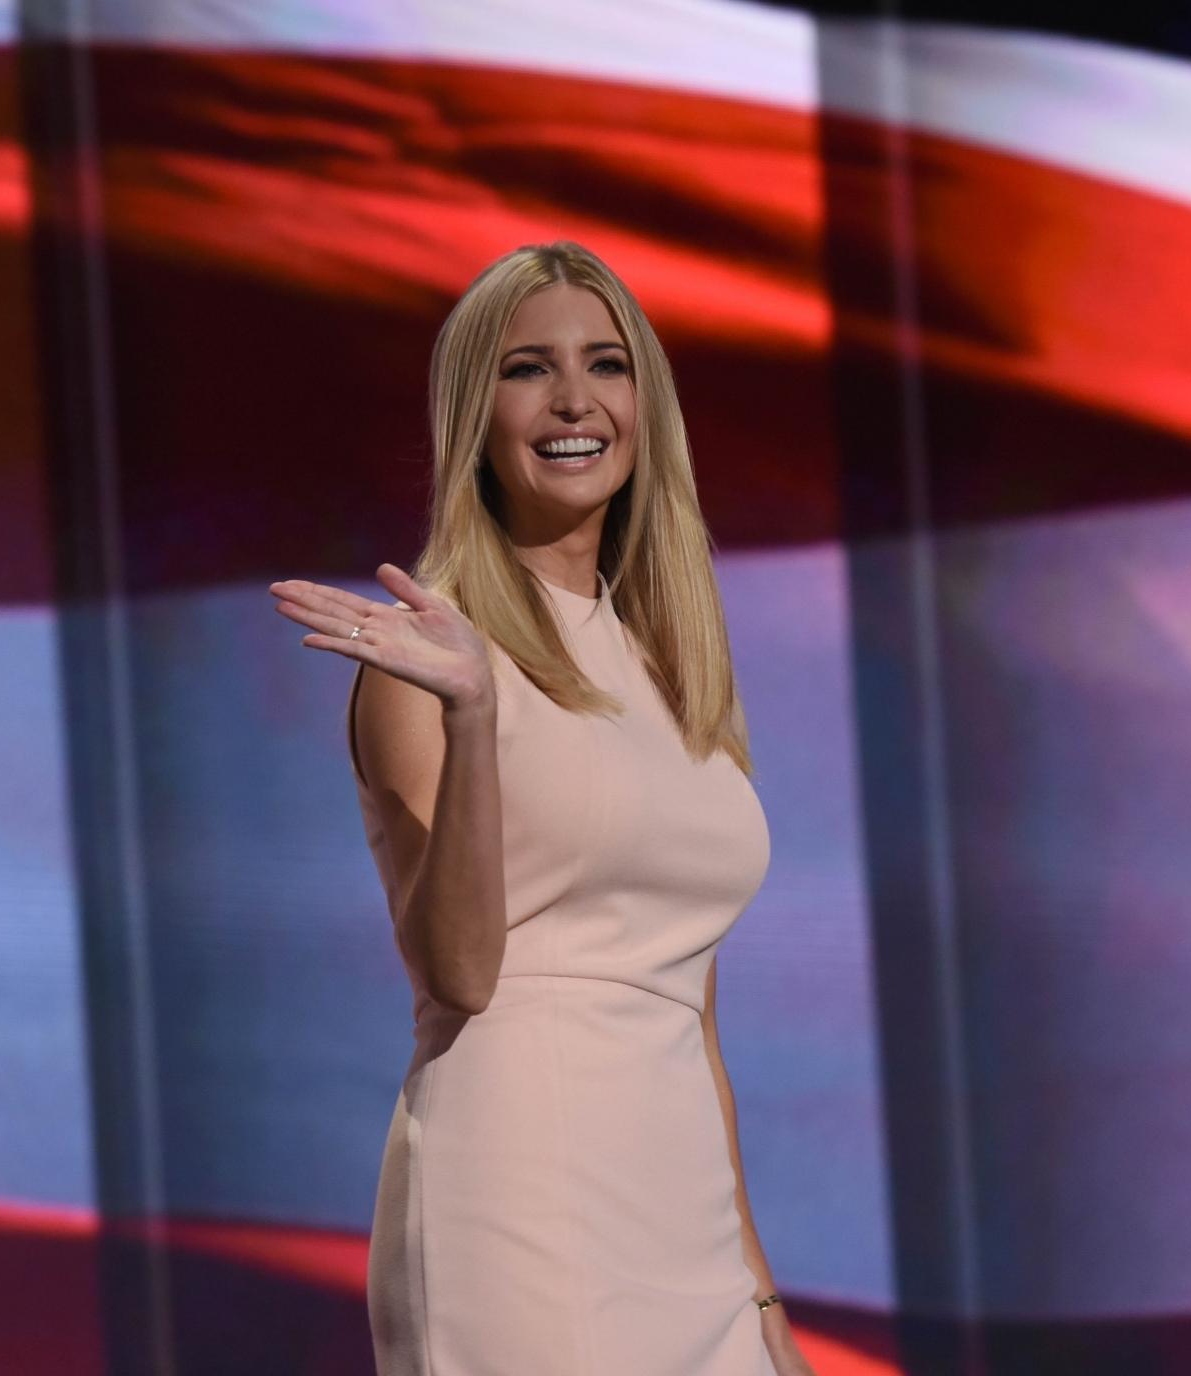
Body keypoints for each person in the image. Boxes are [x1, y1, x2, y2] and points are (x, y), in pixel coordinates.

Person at [267, 242, 815, 1375]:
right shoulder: (429, 659)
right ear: (476, 414)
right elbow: (458, 973)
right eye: (528, 369)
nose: (574, 400)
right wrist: (473, 715)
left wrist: (754, 1279)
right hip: (520, 1190)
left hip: (687, 1226)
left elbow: (688, 1006)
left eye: (606, 364)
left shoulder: (669, 664)